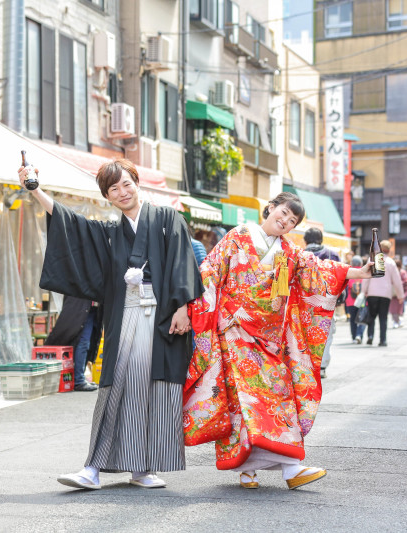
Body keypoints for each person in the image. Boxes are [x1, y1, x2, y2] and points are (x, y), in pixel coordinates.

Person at [19, 159, 203, 490]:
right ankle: (92, 467)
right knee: (117, 387)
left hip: (163, 318)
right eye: (113, 188)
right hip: (126, 314)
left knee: (153, 391)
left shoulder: (167, 218)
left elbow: (182, 263)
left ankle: (142, 467)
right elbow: (70, 224)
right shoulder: (111, 233)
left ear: (137, 183)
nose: (122, 192)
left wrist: (184, 309)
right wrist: (35, 190)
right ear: (107, 196)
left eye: (126, 184)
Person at [183, 192, 374, 490]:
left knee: (274, 397)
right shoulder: (238, 236)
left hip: (269, 339)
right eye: (282, 213)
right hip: (234, 331)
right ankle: (263, 469)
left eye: (292, 220)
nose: (285, 221)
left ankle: (284, 468)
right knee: (243, 402)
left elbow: (318, 269)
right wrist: (188, 307)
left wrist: (357, 272)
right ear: (270, 209)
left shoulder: (289, 251)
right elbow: (208, 272)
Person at [303, 227, 340, 379]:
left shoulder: (300, 255)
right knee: (326, 334)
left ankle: (307, 364)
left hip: (306, 301)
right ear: (321, 239)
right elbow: (341, 276)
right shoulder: (332, 254)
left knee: (305, 333)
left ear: (305, 240)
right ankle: (322, 365)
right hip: (327, 300)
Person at [44, 296, 103, 391]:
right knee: (83, 343)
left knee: (87, 341)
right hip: (81, 305)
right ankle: (79, 380)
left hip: (92, 307)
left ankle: (79, 377)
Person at [359, 240, 404, 346]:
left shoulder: (372, 259)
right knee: (383, 317)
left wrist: (363, 291)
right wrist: (400, 295)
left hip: (372, 292)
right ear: (389, 250)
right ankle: (383, 340)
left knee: (371, 316)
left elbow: (366, 277)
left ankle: (370, 336)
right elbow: (397, 280)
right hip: (385, 294)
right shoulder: (391, 262)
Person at [346, 256, 367, 343]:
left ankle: (354, 337)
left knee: (353, 319)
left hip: (351, 301)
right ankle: (359, 335)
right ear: (361, 264)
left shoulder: (349, 273)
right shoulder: (364, 273)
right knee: (363, 318)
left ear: (352, 264)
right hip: (362, 301)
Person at [390, 258, 407, 328]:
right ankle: (395, 321)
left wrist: (398, 284)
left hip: (400, 293)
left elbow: (406, 282)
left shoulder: (403, 272)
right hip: (392, 293)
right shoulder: (391, 272)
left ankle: (399, 320)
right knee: (393, 308)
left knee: (399, 308)